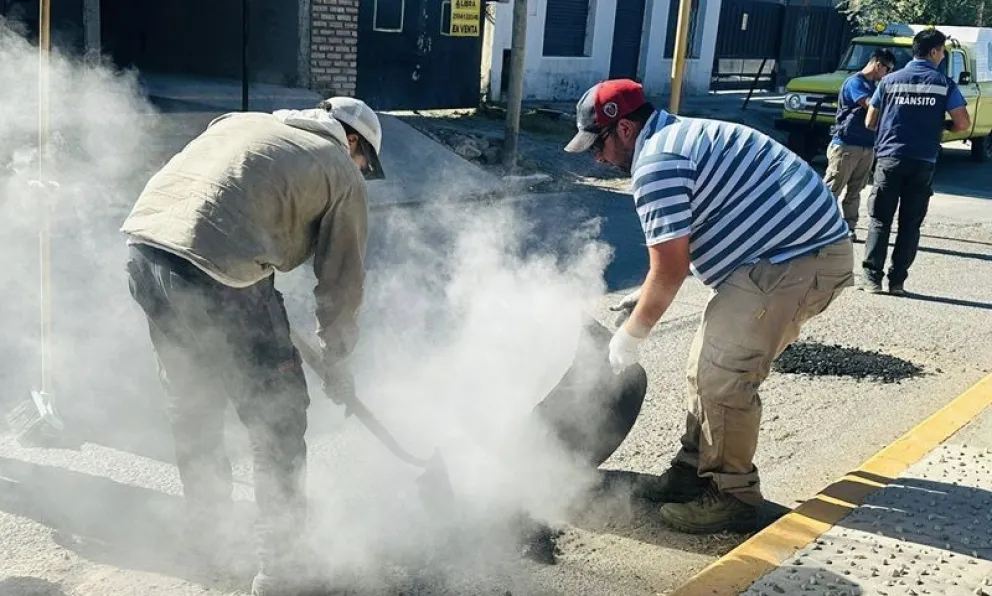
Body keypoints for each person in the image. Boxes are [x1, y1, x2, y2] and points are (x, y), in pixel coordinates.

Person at [565, 79, 854, 534]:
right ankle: (692, 471)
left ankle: (733, 496)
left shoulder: (656, 163)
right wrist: (646, 295)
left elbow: (671, 268)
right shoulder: (674, 138)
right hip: (786, 256)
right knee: (705, 367)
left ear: (623, 129)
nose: (598, 159)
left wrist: (630, 335)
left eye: (597, 146)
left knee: (723, 375)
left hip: (793, 261)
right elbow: (685, 242)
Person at [121, 97, 383, 596]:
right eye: (366, 162)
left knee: (193, 406)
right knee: (279, 418)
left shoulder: (243, 123)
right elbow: (342, 283)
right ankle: (283, 570)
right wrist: (339, 361)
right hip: (216, 271)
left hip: (144, 255)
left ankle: (208, 540)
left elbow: (224, 202)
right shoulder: (339, 170)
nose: (363, 173)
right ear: (352, 141)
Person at [861, 28, 970, 295]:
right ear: (933, 52)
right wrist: (939, 128)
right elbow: (963, 123)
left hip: (889, 158)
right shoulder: (944, 84)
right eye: (942, 51)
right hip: (922, 161)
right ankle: (897, 282)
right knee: (910, 223)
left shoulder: (889, 81)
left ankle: (871, 280)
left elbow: (870, 121)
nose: (942, 56)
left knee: (879, 220)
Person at [824, 47, 896, 240]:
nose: (887, 74)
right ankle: (821, 225)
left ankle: (849, 226)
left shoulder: (875, 85)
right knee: (832, 188)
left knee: (855, 190)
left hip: (867, 145)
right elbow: (870, 104)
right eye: (887, 69)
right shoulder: (855, 83)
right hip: (846, 145)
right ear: (878, 64)